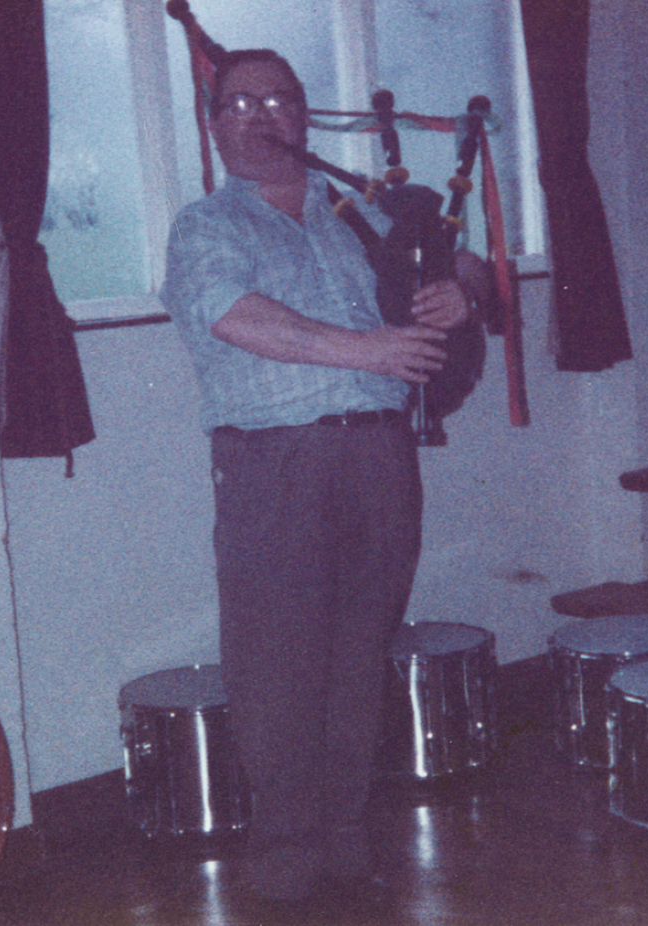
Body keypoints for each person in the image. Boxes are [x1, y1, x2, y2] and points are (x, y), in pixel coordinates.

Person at [160, 49, 470, 916]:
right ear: (214, 126)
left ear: (304, 116)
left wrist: (458, 293)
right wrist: (366, 350)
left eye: (280, 100)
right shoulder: (206, 226)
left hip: (380, 458)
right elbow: (232, 314)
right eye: (241, 102)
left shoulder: (355, 211)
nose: (263, 116)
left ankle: (345, 851)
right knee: (278, 672)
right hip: (276, 465)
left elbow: (461, 269)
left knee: (357, 662)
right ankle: (287, 875)